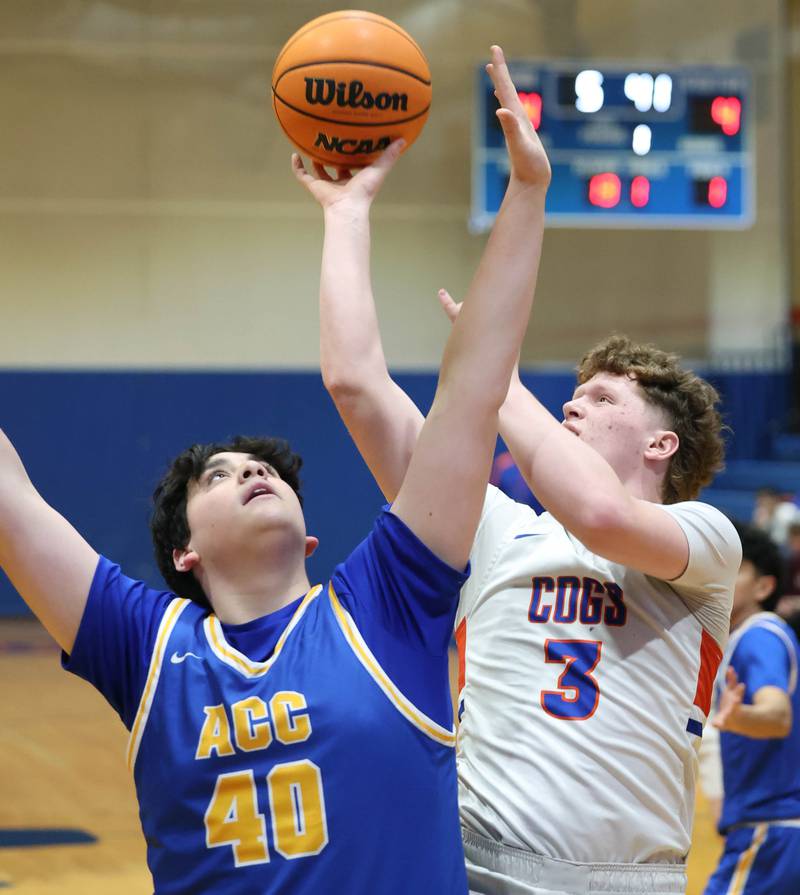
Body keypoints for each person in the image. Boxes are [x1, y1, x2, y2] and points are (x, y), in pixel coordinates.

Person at [0, 46, 549, 895]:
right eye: (218, 476)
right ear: (185, 552)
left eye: (264, 468)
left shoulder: (387, 605)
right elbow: (10, 502)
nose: (251, 471)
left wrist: (524, 197)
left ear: (311, 531)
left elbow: (470, 391)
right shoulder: (144, 645)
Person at [311, 71, 741, 895]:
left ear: (662, 440)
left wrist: (491, 373)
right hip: (469, 867)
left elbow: (598, 511)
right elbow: (357, 385)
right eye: (573, 391)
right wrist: (346, 218)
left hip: (624, 880)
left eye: (602, 396)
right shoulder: (492, 528)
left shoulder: (704, 541)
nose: (573, 403)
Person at [701, 522, 800, 894]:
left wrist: (738, 717)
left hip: (771, 833)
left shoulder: (760, 634)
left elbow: (777, 716)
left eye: (736, 568)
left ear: (765, 587)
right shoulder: (741, 641)